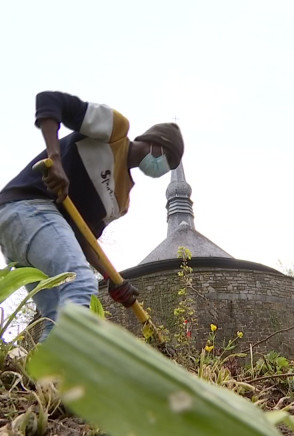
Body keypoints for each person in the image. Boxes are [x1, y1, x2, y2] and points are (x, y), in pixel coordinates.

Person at [0, 91, 184, 340]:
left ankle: (45, 376)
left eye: (169, 167)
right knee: (80, 283)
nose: (163, 168)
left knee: (57, 310)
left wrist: (113, 278)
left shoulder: (122, 199)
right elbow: (50, 101)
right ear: (156, 144)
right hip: (26, 205)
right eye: (168, 159)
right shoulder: (115, 130)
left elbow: (85, 241)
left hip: (36, 233)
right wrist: (55, 159)